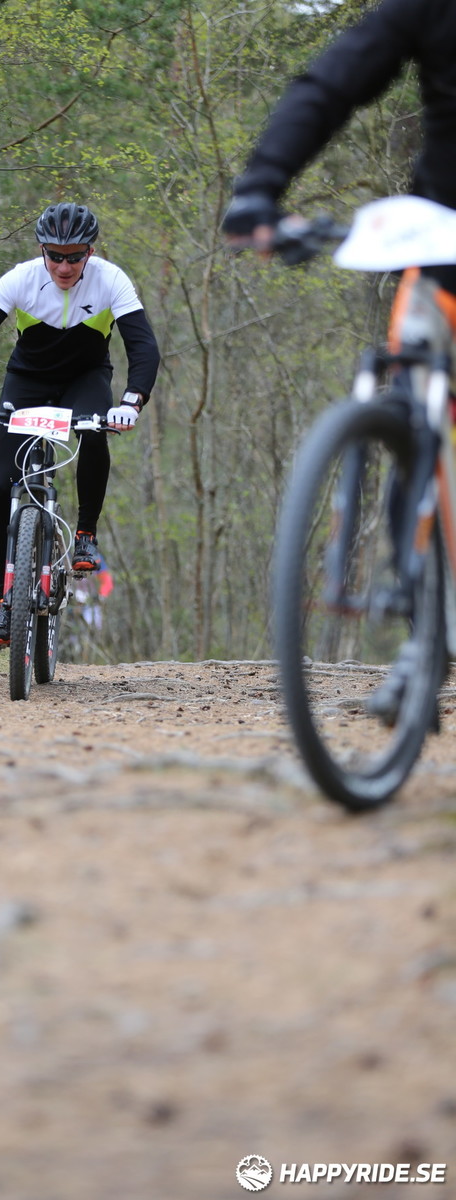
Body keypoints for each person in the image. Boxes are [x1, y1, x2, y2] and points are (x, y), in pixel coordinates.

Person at [222, 0, 456, 721]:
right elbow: (330, 84)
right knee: (415, 411)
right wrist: (263, 186)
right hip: (443, 240)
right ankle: (427, 637)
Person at [0, 201, 160, 647]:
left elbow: (144, 347)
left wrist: (132, 403)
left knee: (95, 432)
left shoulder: (111, 279)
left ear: (90, 253)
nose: (64, 265)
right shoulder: (20, 278)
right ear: (42, 250)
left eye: (75, 256)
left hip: (86, 378)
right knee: (3, 486)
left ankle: (84, 536)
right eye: (55, 255)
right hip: (26, 380)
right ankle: (6, 601)